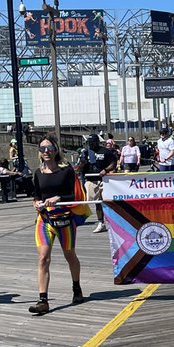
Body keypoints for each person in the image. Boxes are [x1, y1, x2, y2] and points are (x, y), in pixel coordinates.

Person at [29, 135, 85, 316]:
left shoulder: (66, 170)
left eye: (49, 148)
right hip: (45, 220)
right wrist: (36, 203)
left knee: (70, 255)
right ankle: (43, 300)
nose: (46, 152)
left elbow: (74, 196)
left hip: (65, 220)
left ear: (56, 150)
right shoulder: (38, 172)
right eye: (43, 149)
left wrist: (58, 198)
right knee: (43, 258)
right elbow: (36, 195)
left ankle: (76, 287)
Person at [77, 132, 116, 233]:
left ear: (97, 142)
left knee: (107, 201)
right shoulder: (85, 152)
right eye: (89, 142)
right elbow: (79, 168)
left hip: (104, 180)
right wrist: (82, 163)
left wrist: (106, 170)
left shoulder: (105, 151)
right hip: (91, 180)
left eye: (93, 142)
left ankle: (113, 221)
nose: (91, 144)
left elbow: (113, 162)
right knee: (97, 202)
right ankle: (101, 223)